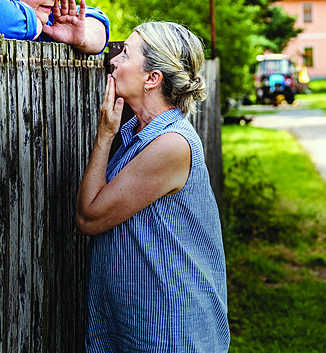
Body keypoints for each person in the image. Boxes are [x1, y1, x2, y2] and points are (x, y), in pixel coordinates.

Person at [76, 21, 230, 352]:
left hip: (170, 328)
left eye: (126, 54)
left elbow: (89, 217)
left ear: (152, 78)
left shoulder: (170, 144)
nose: (113, 60)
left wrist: (104, 135)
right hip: (142, 321)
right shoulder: (137, 132)